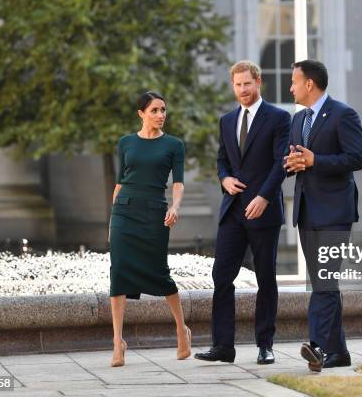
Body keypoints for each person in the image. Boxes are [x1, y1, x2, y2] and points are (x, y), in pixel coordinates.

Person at [194, 61, 291, 365]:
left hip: (264, 211)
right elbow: (222, 159)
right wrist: (224, 179)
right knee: (221, 277)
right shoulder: (226, 120)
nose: (243, 90)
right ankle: (223, 346)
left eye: (247, 84)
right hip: (233, 211)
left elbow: (281, 164)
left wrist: (264, 196)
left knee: (266, 278)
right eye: (237, 85)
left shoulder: (279, 118)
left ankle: (265, 345)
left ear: (258, 82)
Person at [283, 60, 362, 372]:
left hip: (335, 213)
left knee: (325, 282)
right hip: (306, 212)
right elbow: (293, 159)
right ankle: (338, 352)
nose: (290, 87)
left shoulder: (344, 115)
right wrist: (290, 163)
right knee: (322, 282)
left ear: (310, 84)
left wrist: (316, 160)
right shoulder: (298, 118)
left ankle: (316, 345)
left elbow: (356, 158)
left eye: (294, 81)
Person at [109, 91, 191, 367]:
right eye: (154, 110)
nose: (160, 115)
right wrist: (113, 218)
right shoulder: (126, 142)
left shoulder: (173, 145)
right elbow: (121, 180)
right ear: (141, 114)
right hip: (124, 210)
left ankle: (181, 330)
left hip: (155, 211)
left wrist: (175, 207)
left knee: (160, 272)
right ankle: (117, 342)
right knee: (118, 271)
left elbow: (178, 182)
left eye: (163, 110)